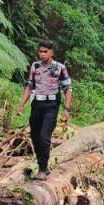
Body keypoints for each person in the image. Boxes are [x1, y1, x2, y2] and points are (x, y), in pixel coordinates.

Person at [17, 40, 72, 179]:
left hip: (51, 105)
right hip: (36, 104)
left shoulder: (60, 68)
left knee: (44, 136)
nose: (42, 54)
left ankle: (42, 168)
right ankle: (42, 164)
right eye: (40, 51)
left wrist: (66, 110)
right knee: (35, 136)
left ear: (51, 52)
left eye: (45, 52)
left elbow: (68, 89)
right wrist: (21, 105)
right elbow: (30, 86)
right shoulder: (35, 66)